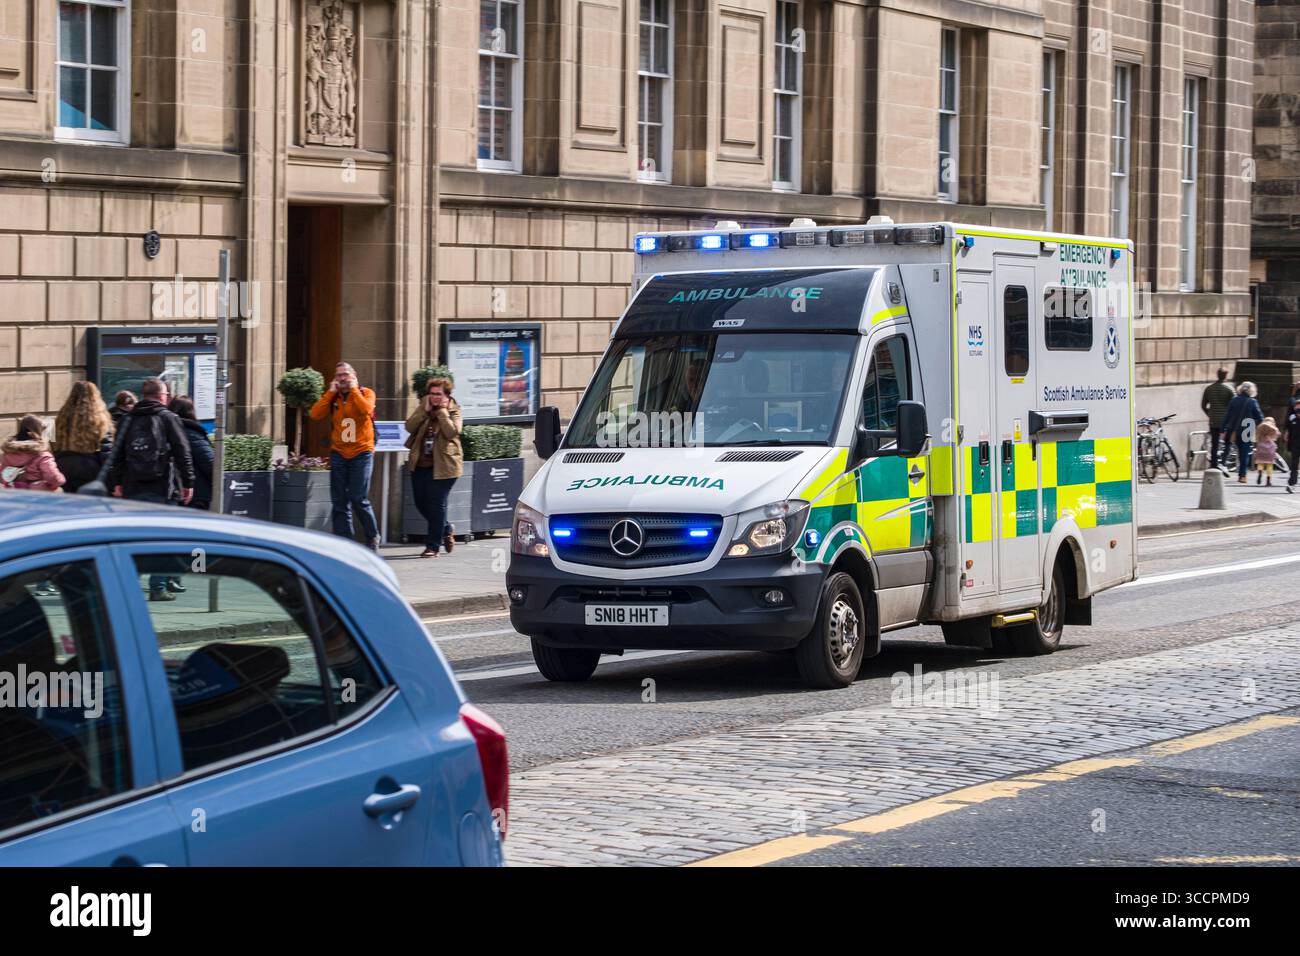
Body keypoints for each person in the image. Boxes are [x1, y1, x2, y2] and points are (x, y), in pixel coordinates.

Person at [309, 362, 379, 550]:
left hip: (362, 452)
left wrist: (354, 390)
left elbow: (366, 411)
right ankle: (345, 542)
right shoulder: (334, 398)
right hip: (339, 452)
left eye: (345, 374)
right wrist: (330, 393)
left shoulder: (366, 393)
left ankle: (372, 536)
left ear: (354, 375)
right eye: (338, 375)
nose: (342, 378)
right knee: (339, 500)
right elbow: (315, 414)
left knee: (358, 497)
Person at [404, 377, 463, 558]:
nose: (434, 397)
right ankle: (446, 528)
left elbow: (453, 432)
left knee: (436, 504)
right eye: (432, 394)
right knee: (421, 503)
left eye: (438, 394)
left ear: (446, 395)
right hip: (420, 463)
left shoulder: (454, 409)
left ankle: (433, 546)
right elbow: (409, 426)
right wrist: (424, 410)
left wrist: (442, 412)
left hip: (445, 466)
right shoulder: (424, 407)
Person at [52, 381, 115, 494]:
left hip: (62, 466)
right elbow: (107, 451)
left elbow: (51, 444)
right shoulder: (101, 421)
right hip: (90, 468)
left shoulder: (59, 419)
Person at [169, 396, 214, 510]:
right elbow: (209, 463)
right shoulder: (192, 433)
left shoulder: (166, 431)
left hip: (172, 491)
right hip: (196, 494)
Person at [0, 416, 66, 491]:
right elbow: (53, 477)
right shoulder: (42, 454)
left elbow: (3, 477)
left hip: (13, 494)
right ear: (39, 431)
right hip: (37, 496)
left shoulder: (8, 453)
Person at [1221, 381, 1264, 484]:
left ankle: (1222, 465)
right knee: (1244, 453)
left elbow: (1227, 415)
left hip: (1233, 428)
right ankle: (1242, 475)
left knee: (1229, 447)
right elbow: (1260, 417)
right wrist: (1254, 423)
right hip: (1247, 428)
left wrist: (1222, 429)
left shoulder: (1234, 400)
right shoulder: (1252, 402)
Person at [1200, 367, 1235, 471]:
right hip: (1226, 421)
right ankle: (1223, 463)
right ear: (1226, 375)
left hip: (1213, 420)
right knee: (1228, 442)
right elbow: (1234, 405)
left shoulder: (1209, 388)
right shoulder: (1229, 389)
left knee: (1214, 444)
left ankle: (1213, 465)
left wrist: (1210, 414)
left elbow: (1203, 405)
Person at [1253, 417, 1280, 486]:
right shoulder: (1273, 429)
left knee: (1260, 462)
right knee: (1269, 465)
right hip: (1270, 449)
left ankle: (1260, 471)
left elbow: (1256, 437)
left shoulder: (1260, 428)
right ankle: (1268, 480)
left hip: (1261, 447)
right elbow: (1278, 435)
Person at [1285, 383, 1300, 495]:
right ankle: (1292, 483)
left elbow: (1288, 416)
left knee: (1294, 461)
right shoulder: (1293, 400)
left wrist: (1286, 431)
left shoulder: (1293, 400)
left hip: (1295, 434)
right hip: (1295, 433)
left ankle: (1292, 483)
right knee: (1294, 461)